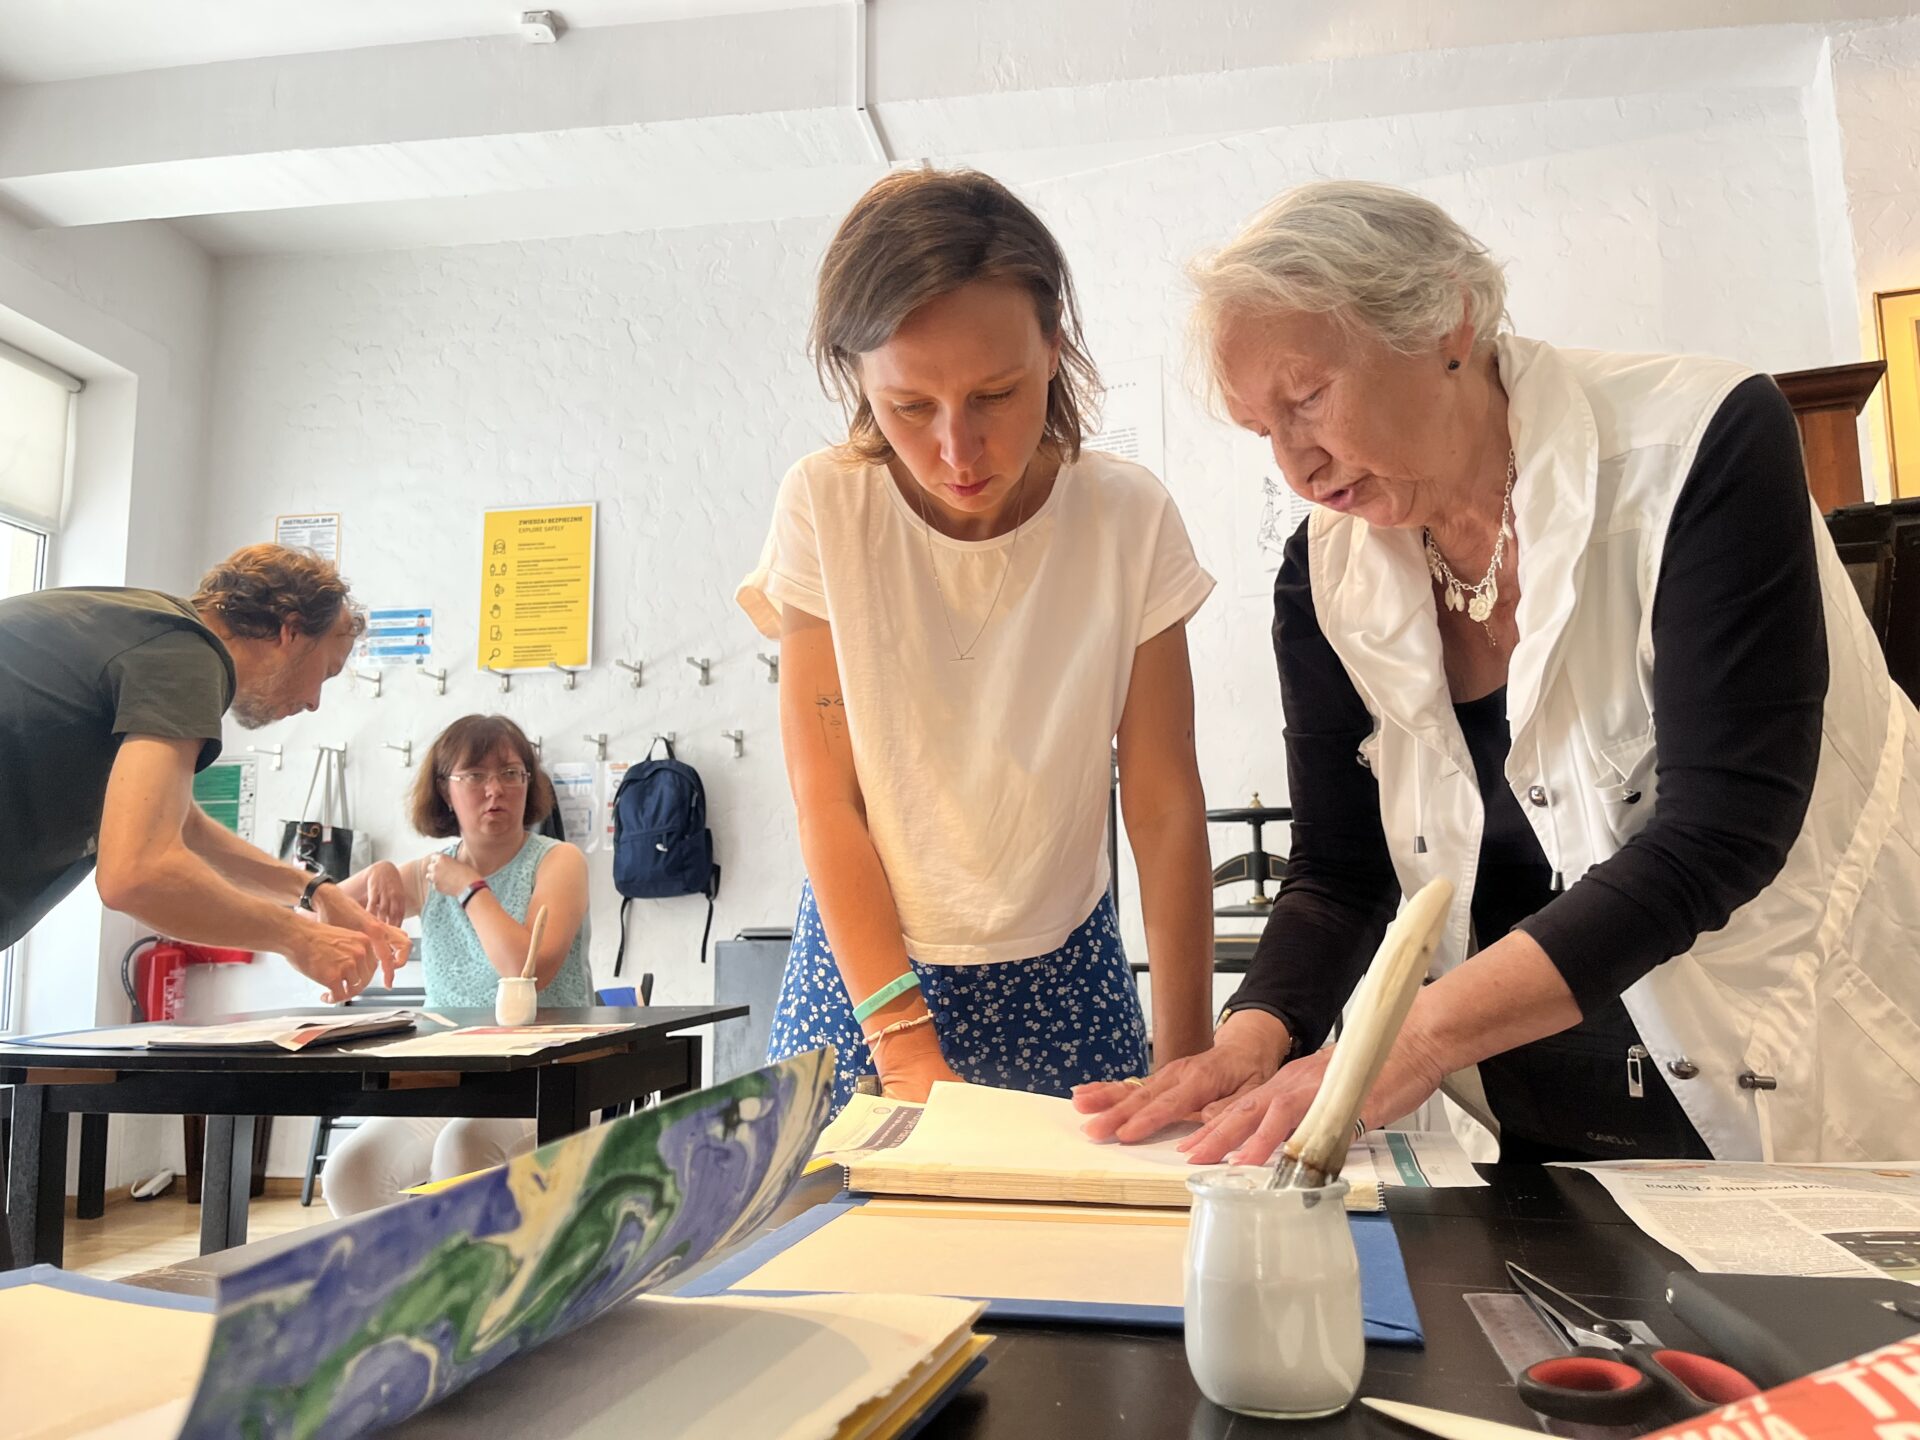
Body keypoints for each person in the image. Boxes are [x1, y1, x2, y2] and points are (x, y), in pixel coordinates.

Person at [1078, 180, 1920, 1165]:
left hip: (1784, 1061)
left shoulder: (1701, 441)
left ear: (1447, 318)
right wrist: (1254, 1033)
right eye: (1262, 431)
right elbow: (1340, 874)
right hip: (1521, 1115)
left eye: (1307, 399)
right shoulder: (1325, 569)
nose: (1296, 467)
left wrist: (1413, 1038)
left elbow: (1719, 834)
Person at [738, 168, 1218, 1118]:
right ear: (856, 374)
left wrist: (1190, 1049)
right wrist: (905, 1044)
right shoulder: (827, 505)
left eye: (995, 394)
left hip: (1066, 970)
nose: (960, 451)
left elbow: (1162, 798)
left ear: (1054, 347)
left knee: (1081, 1257)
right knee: (839, 1254)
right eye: (910, 407)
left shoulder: (1127, 518)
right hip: (868, 970)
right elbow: (826, 797)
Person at [0, 544, 406, 1000]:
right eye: (327, 673)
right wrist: (299, 936)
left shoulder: (151, 632)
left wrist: (315, 890)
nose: (314, 701)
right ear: (291, 632)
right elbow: (137, 875)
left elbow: (181, 827)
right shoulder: (187, 655)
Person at [321, 714, 592, 1215]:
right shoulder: (428, 872)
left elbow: (526, 972)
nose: (496, 790)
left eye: (512, 773)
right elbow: (318, 915)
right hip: (446, 1076)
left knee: (463, 1149)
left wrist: (469, 889)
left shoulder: (559, 861)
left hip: (543, 1075)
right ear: (445, 790)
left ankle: (482, 1286)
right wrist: (378, 871)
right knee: (349, 1174)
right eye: (475, 776)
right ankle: (411, 1288)